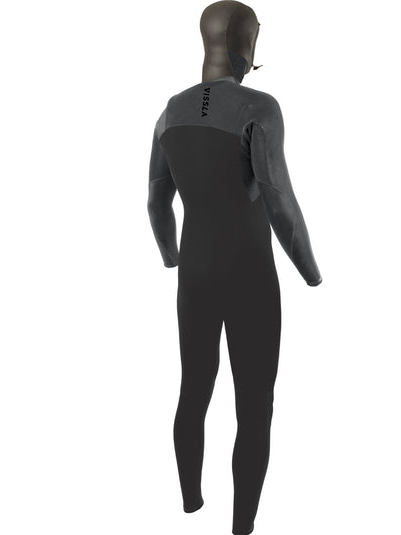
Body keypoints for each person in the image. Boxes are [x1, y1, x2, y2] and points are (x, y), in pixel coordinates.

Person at [147, 1, 322, 533]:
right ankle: (241, 525)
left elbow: (156, 202)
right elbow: (279, 201)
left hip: (195, 277)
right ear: (247, 43)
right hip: (250, 278)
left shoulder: (170, 110)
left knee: (193, 389)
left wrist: (172, 256)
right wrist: (310, 270)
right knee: (254, 403)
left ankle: (190, 504)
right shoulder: (258, 107)